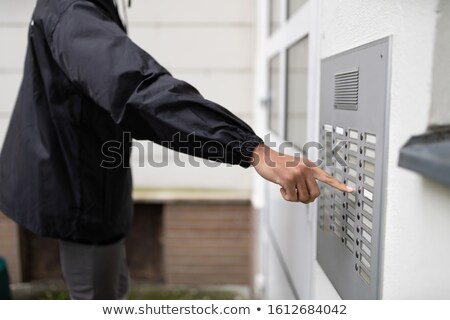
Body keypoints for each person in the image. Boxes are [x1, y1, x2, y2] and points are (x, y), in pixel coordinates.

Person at [0, 0, 352, 299]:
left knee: (109, 290)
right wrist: (252, 150)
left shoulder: (84, 8)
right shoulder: (73, 12)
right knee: (97, 297)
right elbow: (138, 90)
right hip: (80, 193)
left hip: (91, 184)